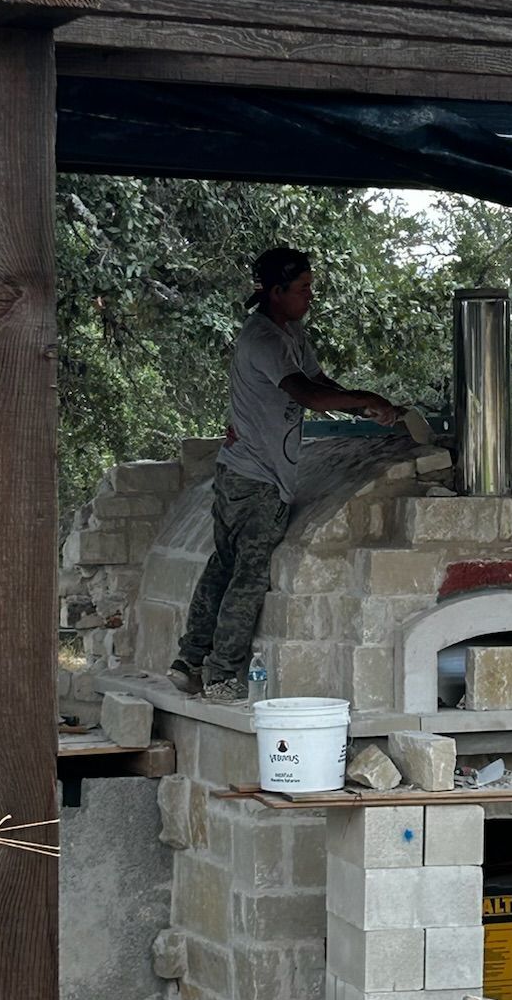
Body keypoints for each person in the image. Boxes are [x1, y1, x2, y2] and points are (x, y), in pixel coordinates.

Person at [170, 245, 399, 704]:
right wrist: (365, 397)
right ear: (276, 292)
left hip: (246, 471)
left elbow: (320, 381)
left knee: (225, 564)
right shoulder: (264, 340)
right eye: (303, 288)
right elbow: (307, 396)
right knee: (249, 575)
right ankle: (219, 675)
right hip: (255, 479)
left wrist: (365, 406)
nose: (310, 296)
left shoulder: (291, 333)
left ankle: (189, 660)